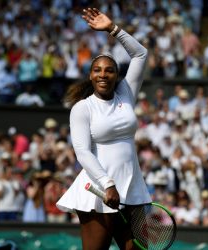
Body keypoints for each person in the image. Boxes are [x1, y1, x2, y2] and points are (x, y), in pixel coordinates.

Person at [56, 8, 151, 250]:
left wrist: (113, 30)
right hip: (99, 191)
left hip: (134, 188)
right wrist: (107, 184)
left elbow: (140, 54)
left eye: (109, 70)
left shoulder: (126, 93)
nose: (103, 74)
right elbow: (82, 151)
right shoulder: (82, 108)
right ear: (90, 76)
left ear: (117, 75)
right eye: (97, 70)